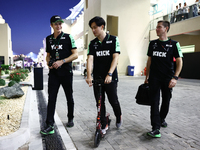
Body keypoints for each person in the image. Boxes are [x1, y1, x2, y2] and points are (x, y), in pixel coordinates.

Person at [40, 15, 78, 135]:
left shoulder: (68, 37)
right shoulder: (49, 39)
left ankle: (70, 117)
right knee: (51, 98)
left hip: (66, 72)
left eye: (60, 23)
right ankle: (50, 124)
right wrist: (49, 63)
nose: (59, 26)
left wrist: (62, 61)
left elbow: (75, 54)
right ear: (51, 25)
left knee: (69, 97)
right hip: (54, 74)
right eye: (56, 24)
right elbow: (48, 55)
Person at [144, 20, 183, 138]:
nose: (157, 29)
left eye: (159, 27)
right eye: (156, 27)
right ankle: (155, 128)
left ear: (166, 29)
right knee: (154, 102)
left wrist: (175, 77)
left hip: (168, 79)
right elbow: (149, 60)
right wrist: (147, 77)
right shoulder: (152, 44)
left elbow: (180, 61)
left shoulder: (174, 44)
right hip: (154, 78)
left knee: (166, 101)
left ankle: (161, 119)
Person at [86, 16, 122, 135]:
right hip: (98, 78)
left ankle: (118, 115)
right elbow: (90, 59)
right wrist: (89, 75)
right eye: (92, 28)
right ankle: (103, 123)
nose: (93, 30)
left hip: (111, 77)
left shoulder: (113, 40)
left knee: (113, 100)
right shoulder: (92, 44)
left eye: (95, 27)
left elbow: (115, 58)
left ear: (102, 27)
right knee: (99, 102)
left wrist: (110, 74)